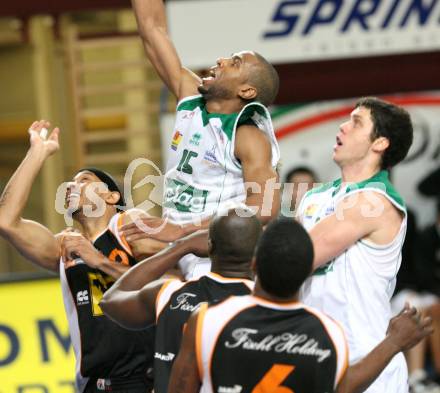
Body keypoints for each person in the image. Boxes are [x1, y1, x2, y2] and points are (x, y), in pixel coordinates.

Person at [168, 218, 433, 393]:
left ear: (255, 265)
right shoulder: (327, 331)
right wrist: (394, 343)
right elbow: (343, 388)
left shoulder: (207, 320)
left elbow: (180, 388)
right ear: (307, 272)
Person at [0, 121, 166, 393]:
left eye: (84, 181)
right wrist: (37, 153)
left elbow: (169, 286)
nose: (71, 187)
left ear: (112, 197)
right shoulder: (64, 246)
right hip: (94, 384)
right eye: (70, 184)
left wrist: (99, 260)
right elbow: (6, 222)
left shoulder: (129, 225)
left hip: (145, 379)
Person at [122, 0, 280, 279]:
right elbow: (152, 30)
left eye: (235, 63)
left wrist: (184, 230)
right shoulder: (189, 99)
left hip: (217, 261)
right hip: (176, 251)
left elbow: (265, 207)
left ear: (246, 90)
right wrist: (174, 235)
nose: (221, 61)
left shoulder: (247, 136)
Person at [296, 97, 414, 392]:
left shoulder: (376, 201)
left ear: (380, 143)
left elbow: (292, 259)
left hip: (366, 360)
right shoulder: (313, 198)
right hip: (311, 352)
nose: (343, 126)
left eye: (356, 122)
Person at [100, 208, 261, 393]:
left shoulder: (169, 293)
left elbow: (111, 300)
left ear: (209, 246)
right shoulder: (268, 305)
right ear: (259, 251)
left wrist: (181, 246)